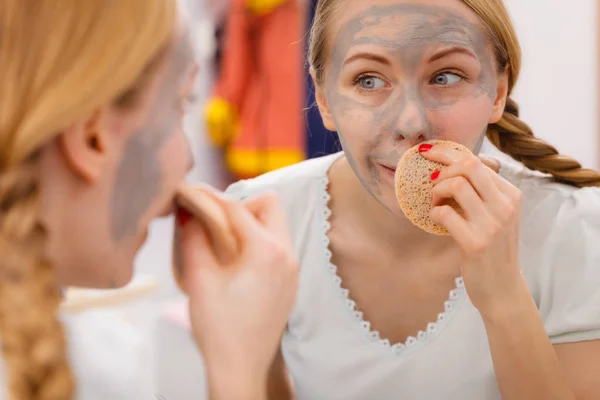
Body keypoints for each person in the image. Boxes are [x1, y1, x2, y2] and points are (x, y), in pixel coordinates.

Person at [224, 0, 600, 398]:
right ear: (323, 98)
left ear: (498, 92)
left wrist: (504, 295)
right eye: (368, 80)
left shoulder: (573, 232)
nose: (411, 124)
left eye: (447, 76)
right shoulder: (262, 221)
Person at [0, 1, 298, 399]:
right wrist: (241, 369)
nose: (189, 160)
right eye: (180, 106)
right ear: (93, 137)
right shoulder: (100, 367)